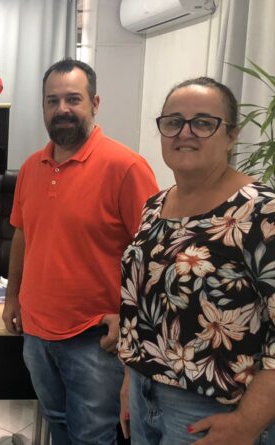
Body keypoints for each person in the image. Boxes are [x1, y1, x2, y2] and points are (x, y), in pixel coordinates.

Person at [1, 58, 159, 444]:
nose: (62, 109)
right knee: (57, 424)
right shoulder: (31, 168)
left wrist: (128, 316)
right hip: (37, 333)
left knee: (92, 436)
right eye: (52, 101)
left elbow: (154, 255)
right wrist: (13, 298)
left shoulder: (126, 167)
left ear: (95, 103)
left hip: (93, 337)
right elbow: (23, 236)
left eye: (73, 99)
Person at [118, 77, 275, 445]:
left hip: (213, 409)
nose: (184, 133)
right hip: (145, 393)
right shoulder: (155, 206)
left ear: (232, 135)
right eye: (173, 122)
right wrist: (130, 382)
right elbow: (140, 306)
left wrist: (248, 423)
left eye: (203, 123)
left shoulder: (261, 212)